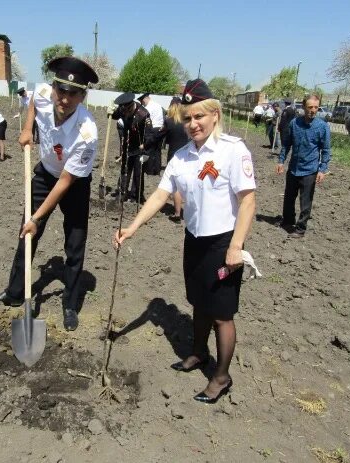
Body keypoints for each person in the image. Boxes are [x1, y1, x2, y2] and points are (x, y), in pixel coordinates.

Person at [114, 79, 256, 404]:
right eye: (188, 118)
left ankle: (221, 377)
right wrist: (133, 227)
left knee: (221, 314)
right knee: (198, 302)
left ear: (215, 115)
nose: (192, 124)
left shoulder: (233, 151)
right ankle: (198, 354)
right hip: (194, 241)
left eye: (199, 117)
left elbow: (248, 201)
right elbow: (160, 194)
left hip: (223, 244)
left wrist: (237, 245)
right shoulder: (181, 157)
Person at [0, 57, 99, 332]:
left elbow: (66, 182)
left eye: (73, 93)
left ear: (83, 96)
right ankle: (13, 292)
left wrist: (37, 215)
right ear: (54, 87)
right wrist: (26, 129)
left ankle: (70, 304)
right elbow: (34, 100)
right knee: (27, 233)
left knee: (75, 242)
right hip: (46, 173)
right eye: (61, 90)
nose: (65, 98)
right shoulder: (46, 95)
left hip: (73, 184)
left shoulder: (87, 132)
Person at [276, 94, 331, 238]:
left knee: (305, 201)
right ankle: (287, 221)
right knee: (289, 197)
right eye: (310, 107)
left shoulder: (322, 127)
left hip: (310, 170)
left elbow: (326, 150)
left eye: (316, 107)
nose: (313, 110)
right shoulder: (295, 123)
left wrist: (322, 169)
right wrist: (281, 161)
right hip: (294, 168)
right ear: (303, 107)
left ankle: (300, 228)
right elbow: (287, 144)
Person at [110, 92, 153, 203]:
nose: (126, 113)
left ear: (132, 105)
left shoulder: (143, 114)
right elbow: (115, 115)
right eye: (123, 110)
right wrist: (110, 111)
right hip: (127, 146)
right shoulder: (123, 109)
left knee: (138, 173)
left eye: (128, 110)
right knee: (124, 170)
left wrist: (146, 149)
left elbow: (149, 134)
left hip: (139, 147)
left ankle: (136, 195)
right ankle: (121, 193)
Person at [162, 97, 189, 221]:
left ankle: (177, 213)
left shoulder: (169, 121)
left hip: (174, 154)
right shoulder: (186, 122)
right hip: (188, 154)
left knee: (176, 185)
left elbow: (164, 139)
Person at [138, 93, 165, 176]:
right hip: (160, 129)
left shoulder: (148, 108)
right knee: (157, 150)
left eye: (142, 101)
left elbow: (146, 121)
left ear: (144, 99)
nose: (142, 103)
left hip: (152, 129)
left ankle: (149, 170)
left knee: (149, 149)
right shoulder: (158, 105)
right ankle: (157, 170)